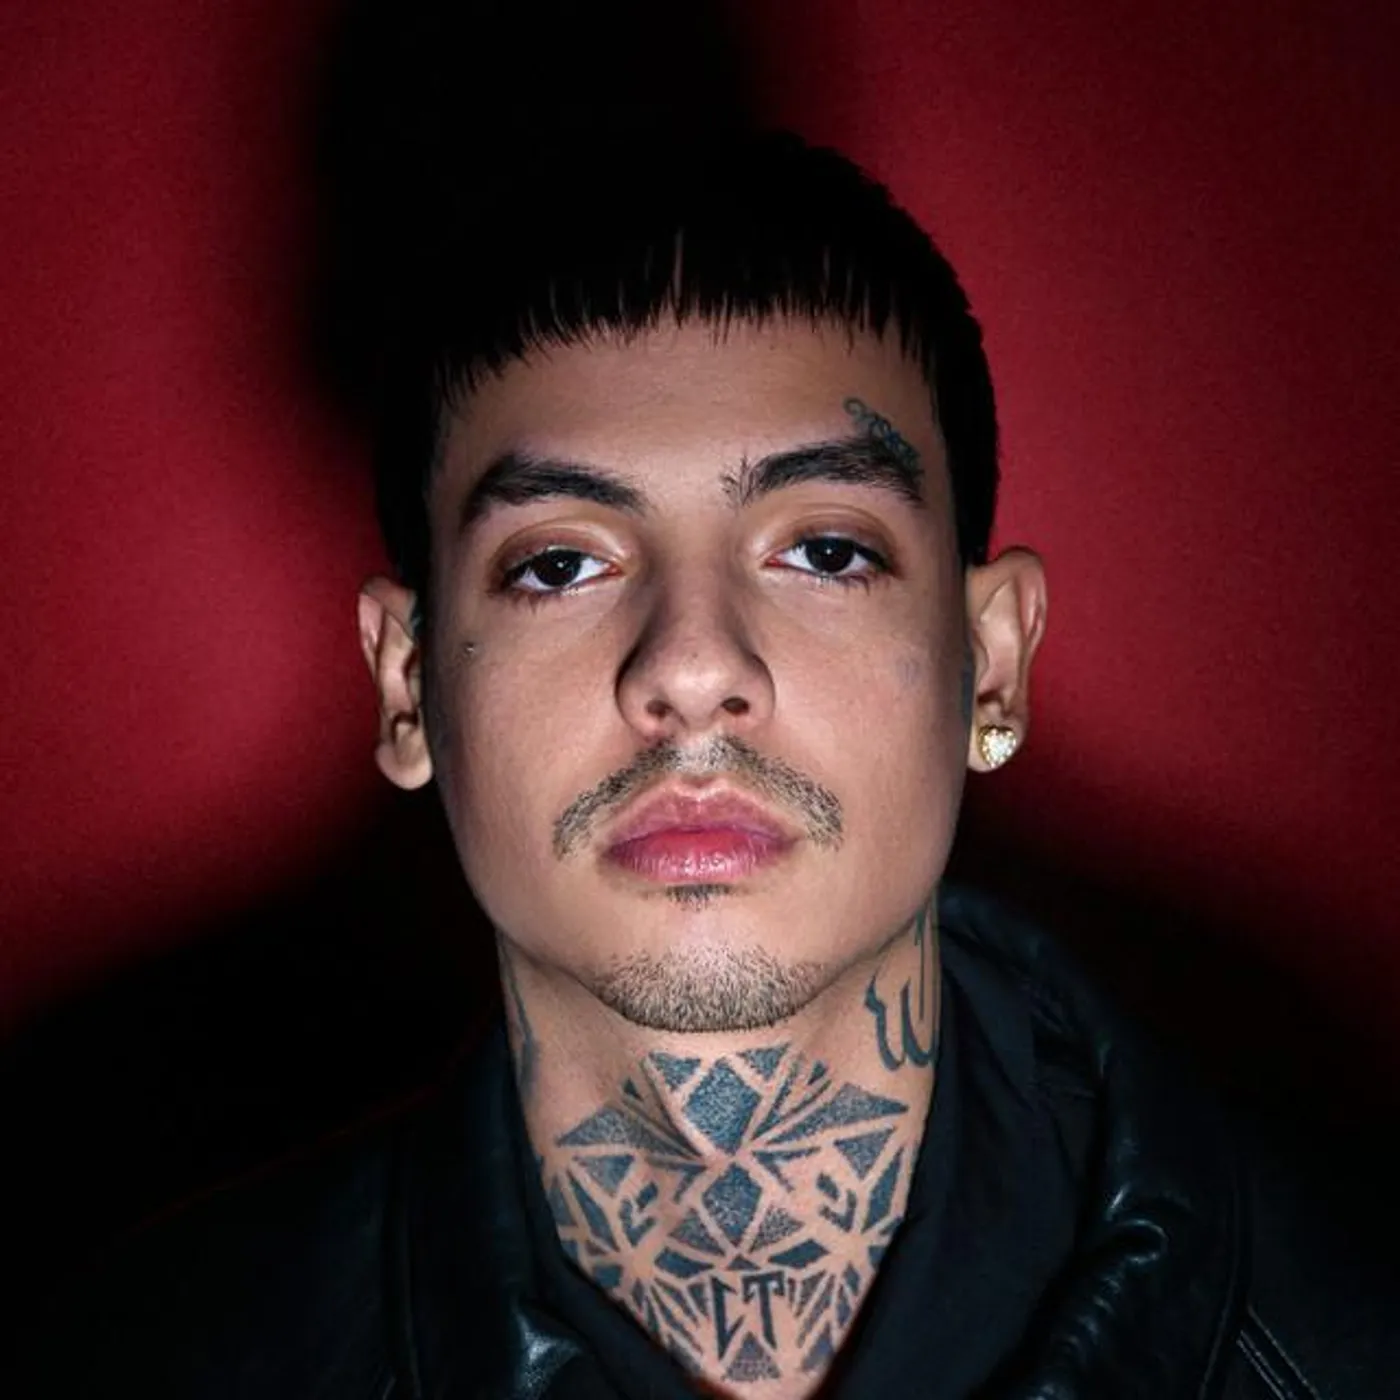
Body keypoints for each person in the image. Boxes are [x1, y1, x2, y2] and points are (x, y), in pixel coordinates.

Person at [18, 128, 1396, 1400]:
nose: (688, 667)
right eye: (559, 564)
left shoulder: (1356, 1314)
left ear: (991, 663)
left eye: (825, 550)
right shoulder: (136, 1354)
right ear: (408, 687)